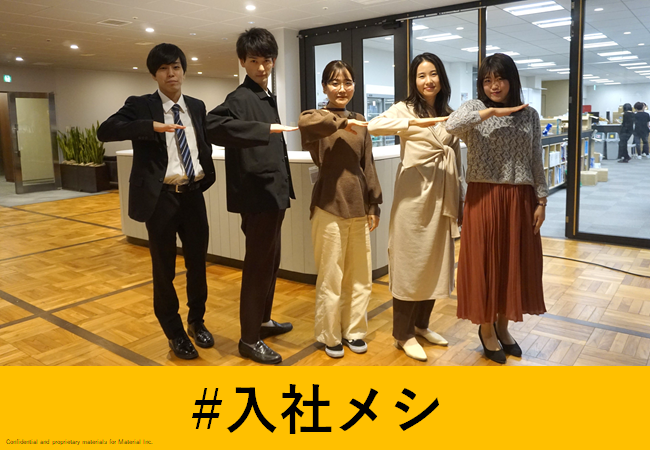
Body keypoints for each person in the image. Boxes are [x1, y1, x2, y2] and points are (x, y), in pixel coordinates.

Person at [97, 43, 216, 360]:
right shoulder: (141, 105)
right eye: (163, 68)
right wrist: (149, 126)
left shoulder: (196, 106)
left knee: (197, 265)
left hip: (193, 194)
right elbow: (105, 131)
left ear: (183, 71)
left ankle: (197, 321)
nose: (171, 73)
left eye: (176, 67)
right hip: (161, 198)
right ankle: (174, 332)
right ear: (154, 74)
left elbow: (202, 143)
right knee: (164, 270)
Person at [446, 53, 548, 364]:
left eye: (500, 79)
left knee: (513, 263)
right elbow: (451, 125)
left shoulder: (529, 115)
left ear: (511, 80)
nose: (494, 85)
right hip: (484, 197)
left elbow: (536, 158)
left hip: (520, 199)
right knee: (486, 263)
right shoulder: (474, 109)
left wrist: (542, 200)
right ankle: (486, 328)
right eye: (487, 80)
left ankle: (503, 327)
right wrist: (488, 112)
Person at [205, 28, 298, 365]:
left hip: (273, 193)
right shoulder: (240, 97)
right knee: (258, 266)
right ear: (243, 62)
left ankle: (262, 320)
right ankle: (248, 339)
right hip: (258, 195)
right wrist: (263, 130)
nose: (261, 67)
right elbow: (211, 126)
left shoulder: (264, 95)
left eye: (267, 60)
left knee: (271, 261)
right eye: (254, 60)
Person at [368, 53, 463, 362]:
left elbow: (457, 160)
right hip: (412, 199)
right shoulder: (404, 109)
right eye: (421, 76)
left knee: (435, 263)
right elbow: (374, 126)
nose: (428, 81)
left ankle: (421, 325)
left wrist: (460, 200)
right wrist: (413, 122)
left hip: (441, 198)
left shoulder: (450, 114)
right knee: (410, 264)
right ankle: (403, 334)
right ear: (414, 81)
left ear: (441, 77)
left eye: (433, 74)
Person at [298, 60, 383, 358]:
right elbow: (305, 123)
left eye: (347, 82)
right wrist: (341, 122)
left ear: (354, 86)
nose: (342, 88)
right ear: (324, 87)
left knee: (359, 276)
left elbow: (367, 164)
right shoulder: (318, 118)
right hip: (328, 204)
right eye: (334, 83)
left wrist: (374, 203)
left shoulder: (360, 120)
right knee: (331, 276)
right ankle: (329, 334)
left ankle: (354, 331)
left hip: (359, 205)